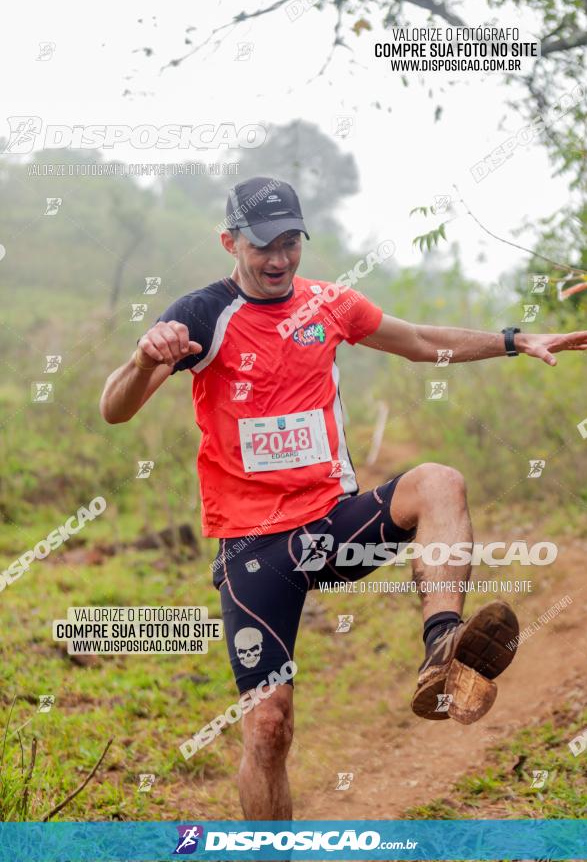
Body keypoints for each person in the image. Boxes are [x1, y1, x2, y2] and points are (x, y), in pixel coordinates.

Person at [100, 176, 587, 819]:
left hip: (332, 524)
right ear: (229, 242)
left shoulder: (329, 304)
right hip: (254, 544)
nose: (278, 258)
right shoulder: (199, 316)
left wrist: (512, 339)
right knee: (269, 727)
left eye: (291, 242)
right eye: (262, 245)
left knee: (439, 481)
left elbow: (417, 342)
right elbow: (114, 409)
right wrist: (141, 360)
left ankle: (442, 645)